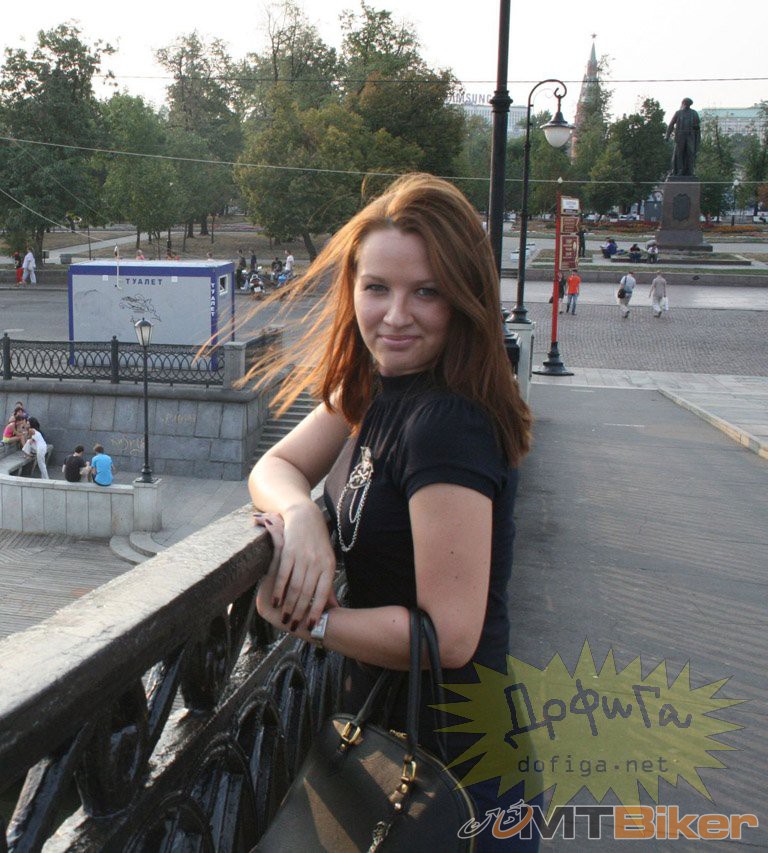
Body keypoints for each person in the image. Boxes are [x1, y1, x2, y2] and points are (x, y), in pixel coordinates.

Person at [245, 173, 536, 847]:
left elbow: (450, 635)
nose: (396, 315)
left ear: (465, 298)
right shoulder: (380, 384)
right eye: (377, 287)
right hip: (398, 747)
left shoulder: (447, 424)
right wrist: (302, 518)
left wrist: (311, 619)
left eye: (426, 291)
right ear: (351, 288)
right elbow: (276, 466)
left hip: (452, 774)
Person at [666, 97, 701, 177]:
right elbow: (671, 124)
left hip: (690, 136)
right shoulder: (678, 113)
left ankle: (690, 171)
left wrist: (697, 137)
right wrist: (667, 135)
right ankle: (679, 171)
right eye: (685, 103)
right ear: (683, 103)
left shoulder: (694, 113)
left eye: (688, 104)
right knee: (679, 153)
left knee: (690, 153)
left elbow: (697, 127)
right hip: (680, 136)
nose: (686, 105)